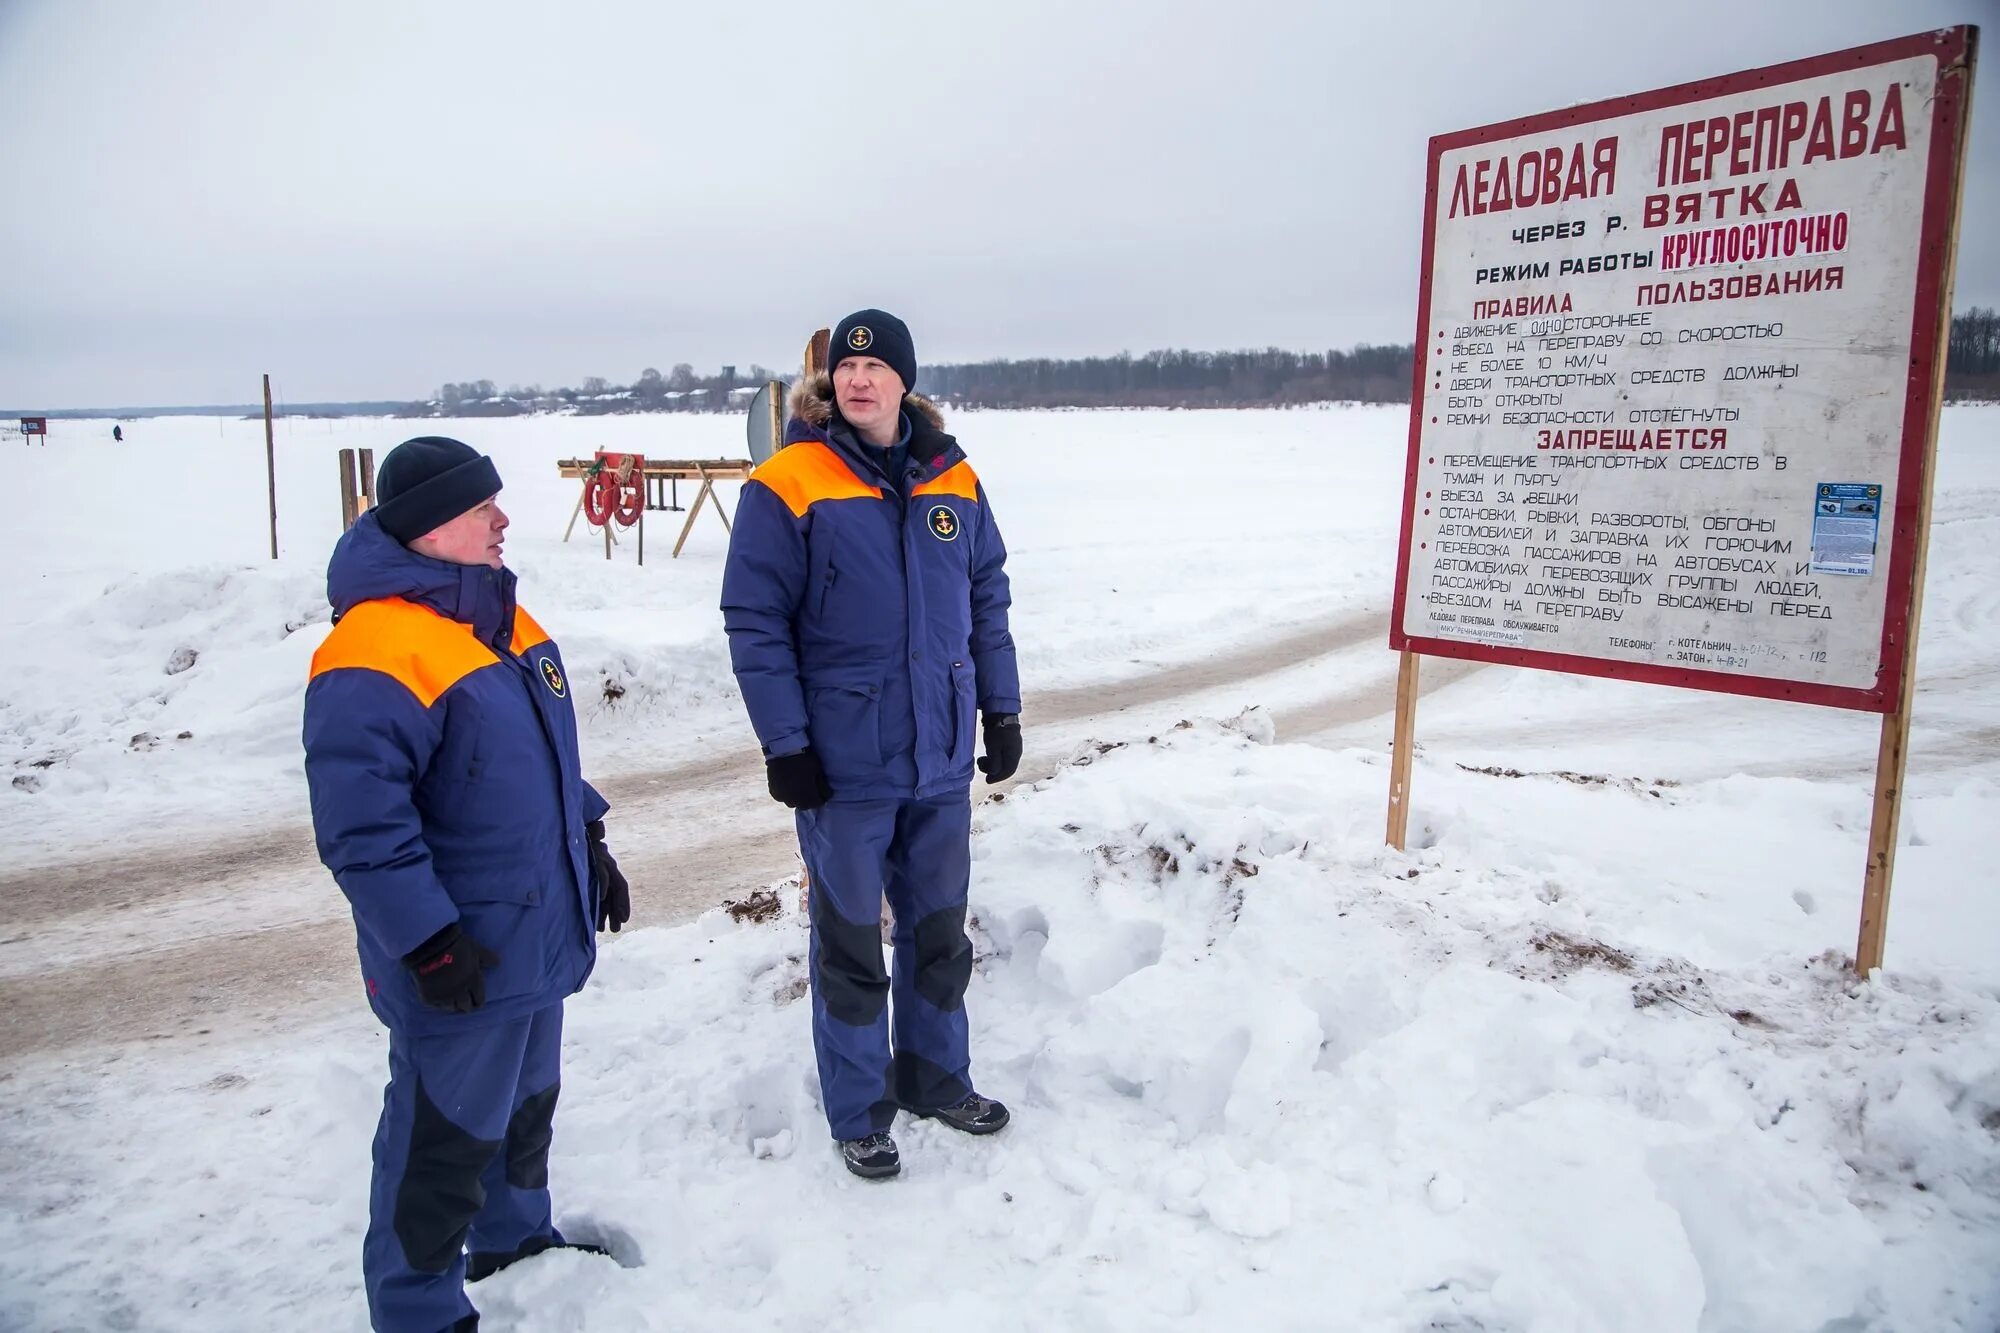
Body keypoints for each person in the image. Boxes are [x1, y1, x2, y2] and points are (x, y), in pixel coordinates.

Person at [303, 436, 631, 1332]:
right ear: (424, 527)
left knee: (526, 1107)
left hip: (531, 930)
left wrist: (590, 838)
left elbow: (537, 758)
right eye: (479, 506)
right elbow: (363, 831)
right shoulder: (370, 649)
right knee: (441, 1141)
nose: (503, 518)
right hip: (461, 953)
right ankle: (416, 1309)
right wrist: (427, 941)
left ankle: (514, 1238)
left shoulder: (499, 616)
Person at [721, 309, 1024, 1180]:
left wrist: (998, 711)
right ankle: (859, 1111)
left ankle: (936, 1076)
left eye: (877, 368)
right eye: (846, 370)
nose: (860, 381)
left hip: (936, 758)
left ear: (904, 382)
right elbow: (755, 620)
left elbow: (987, 601)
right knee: (849, 944)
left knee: (938, 934)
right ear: (831, 382)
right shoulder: (788, 481)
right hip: (842, 763)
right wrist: (786, 743)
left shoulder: (953, 477)